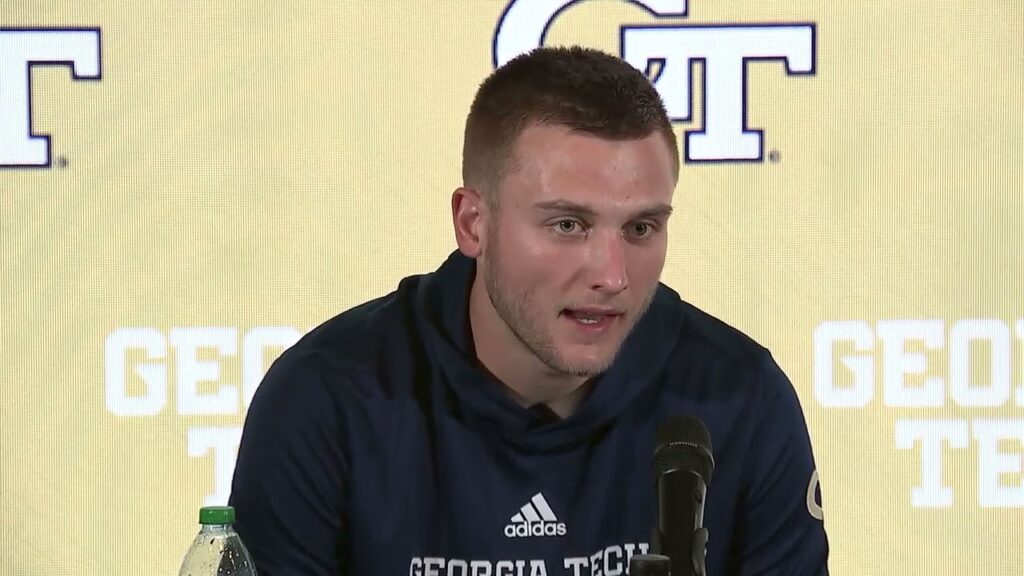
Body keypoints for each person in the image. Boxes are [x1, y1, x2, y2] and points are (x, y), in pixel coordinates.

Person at [229, 45, 829, 575]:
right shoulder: (325, 399)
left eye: (641, 227)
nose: (613, 276)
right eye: (568, 225)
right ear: (473, 222)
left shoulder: (741, 396)